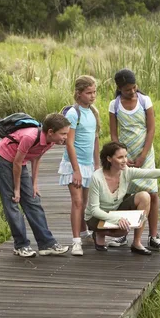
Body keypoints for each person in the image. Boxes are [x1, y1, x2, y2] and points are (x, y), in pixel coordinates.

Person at [85, 141, 160, 255]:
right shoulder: (97, 177)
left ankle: (136, 243)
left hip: (115, 212)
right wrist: (117, 219)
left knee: (144, 197)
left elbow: (150, 173)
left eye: (125, 156)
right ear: (109, 159)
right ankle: (99, 233)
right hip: (95, 218)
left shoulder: (126, 172)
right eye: (120, 157)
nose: (125, 160)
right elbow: (94, 210)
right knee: (121, 228)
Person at [108, 68, 160, 252]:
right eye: (128, 89)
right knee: (127, 193)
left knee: (151, 192)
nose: (132, 91)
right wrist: (121, 157)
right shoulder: (114, 104)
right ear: (119, 89)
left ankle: (153, 236)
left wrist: (143, 155)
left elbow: (151, 129)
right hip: (124, 156)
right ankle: (123, 235)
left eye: (134, 87)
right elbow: (114, 133)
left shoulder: (144, 101)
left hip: (145, 153)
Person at [0, 113, 71, 258]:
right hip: (5, 160)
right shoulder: (29, 137)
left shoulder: (51, 141)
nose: (65, 137)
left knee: (33, 200)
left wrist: (34, 184)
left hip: (19, 162)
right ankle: (21, 245)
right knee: (13, 202)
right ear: (50, 132)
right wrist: (17, 190)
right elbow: (16, 163)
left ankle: (46, 244)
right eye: (63, 133)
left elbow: (36, 158)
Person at [58, 75, 101, 256]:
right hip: (73, 165)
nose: (92, 96)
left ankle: (84, 234)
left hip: (88, 165)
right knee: (76, 202)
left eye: (94, 92)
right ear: (79, 93)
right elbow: (69, 143)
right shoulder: (73, 113)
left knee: (84, 203)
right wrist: (76, 170)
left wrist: (97, 166)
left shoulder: (93, 112)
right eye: (88, 93)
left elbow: (95, 139)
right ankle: (76, 241)